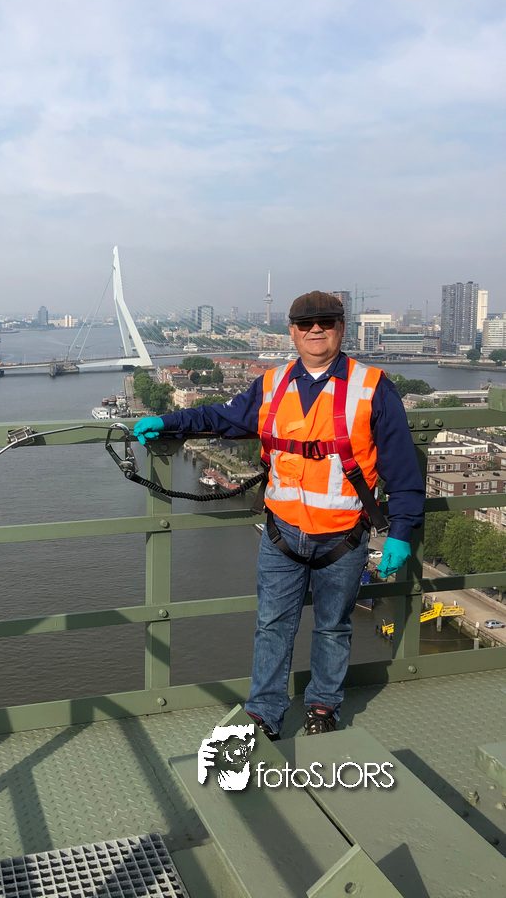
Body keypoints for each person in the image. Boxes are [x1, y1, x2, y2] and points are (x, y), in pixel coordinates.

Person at [134, 291, 424, 738]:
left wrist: (401, 531)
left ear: (341, 329)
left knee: (333, 627)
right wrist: (170, 422)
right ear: (291, 332)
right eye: (306, 324)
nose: (315, 330)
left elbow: (402, 468)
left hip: (343, 536)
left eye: (325, 322)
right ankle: (265, 713)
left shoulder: (372, 386)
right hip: (282, 533)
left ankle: (323, 707)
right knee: (271, 626)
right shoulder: (272, 384)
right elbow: (224, 417)